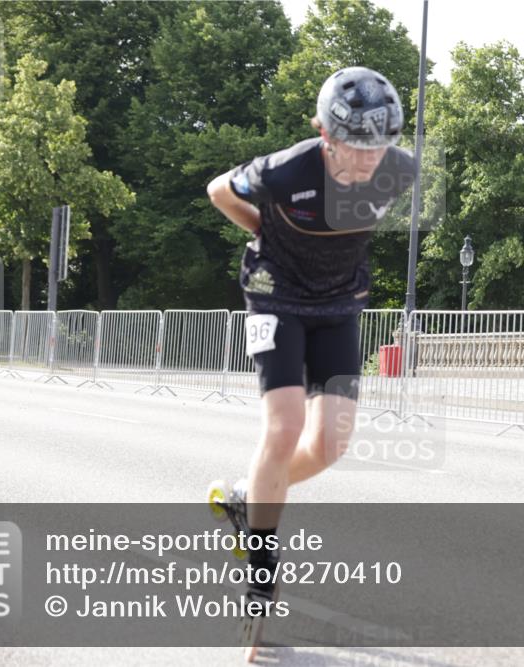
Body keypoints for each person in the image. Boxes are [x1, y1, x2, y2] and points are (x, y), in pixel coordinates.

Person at [205, 66, 415, 661]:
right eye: (352, 148)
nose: (365, 162)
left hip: (339, 305)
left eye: (377, 149)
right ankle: (261, 575)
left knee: (331, 446)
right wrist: (265, 236)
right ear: (324, 132)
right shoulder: (284, 169)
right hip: (275, 294)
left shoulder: (401, 171)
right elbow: (220, 191)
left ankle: (249, 494)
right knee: (284, 428)